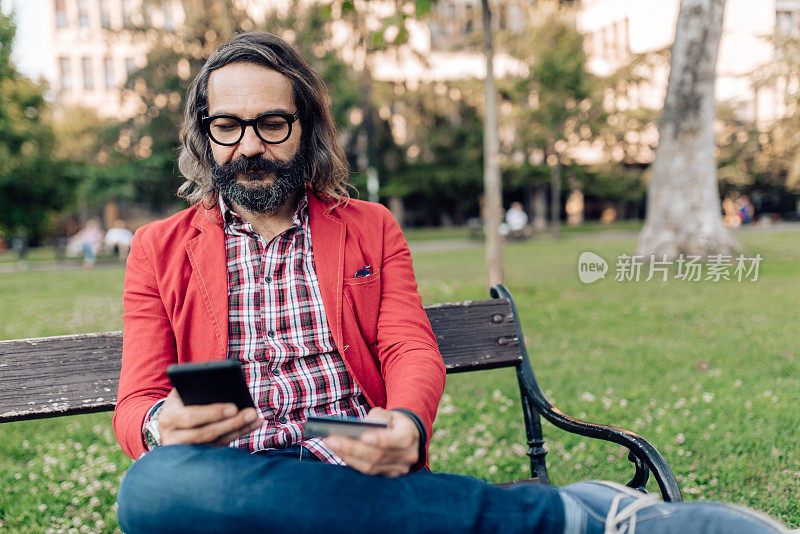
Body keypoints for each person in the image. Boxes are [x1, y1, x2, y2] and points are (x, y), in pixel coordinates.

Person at [114, 32, 788, 534]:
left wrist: (405, 423)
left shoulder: (370, 227)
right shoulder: (157, 249)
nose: (250, 146)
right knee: (149, 490)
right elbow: (136, 402)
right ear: (205, 135)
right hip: (228, 482)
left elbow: (409, 344)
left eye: (272, 124)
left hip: (359, 466)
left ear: (305, 131)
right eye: (228, 126)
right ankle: (569, 517)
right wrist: (159, 425)